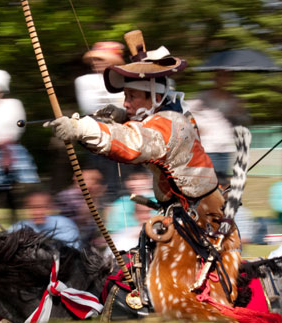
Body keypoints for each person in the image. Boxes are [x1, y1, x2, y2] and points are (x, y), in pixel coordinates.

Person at [44, 36, 239, 253]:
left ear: (154, 97)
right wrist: (118, 116)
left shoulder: (172, 123)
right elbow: (141, 126)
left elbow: (134, 143)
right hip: (184, 217)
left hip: (201, 224)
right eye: (125, 96)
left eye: (132, 96)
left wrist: (81, 129)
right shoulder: (169, 111)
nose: (125, 103)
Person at [74, 41, 137, 202]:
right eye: (95, 60)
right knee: (98, 181)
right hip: (95, 136)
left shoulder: (126, 81)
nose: (96, 63)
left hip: (121, 137)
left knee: (120, 180)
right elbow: (90, 107)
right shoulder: (85, 81)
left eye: (101, 59)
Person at [0, 69, 39, 219]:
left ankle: (19, 223)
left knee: (15, 195)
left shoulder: (12, 105)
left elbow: (16, 129)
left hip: (10, 155)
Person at [187, 70, 251, 177]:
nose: (224, 79)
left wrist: (240, 111)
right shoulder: (203, 97)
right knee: (208, 182)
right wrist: (196, 128)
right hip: (208, 149)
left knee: (222, 183)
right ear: (215, 78)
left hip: (226, 148)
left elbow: (244, 121)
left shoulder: (233, 99)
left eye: (228, 76)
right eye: (221, 76)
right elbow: (185, 113)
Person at [8, 189, 81, 250]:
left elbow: (73, 252)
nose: (37, 212)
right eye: (32, 207)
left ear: (50, 207)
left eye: (41, 207)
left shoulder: (65, 225)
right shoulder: (17, 228)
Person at [54, 168, 107, 248]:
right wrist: (94, 197)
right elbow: (82, 219)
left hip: (89, 238)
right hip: (72, 239)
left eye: (96, 181)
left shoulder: (88, 195)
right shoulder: (69, 195)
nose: (94, 183)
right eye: (90, 179)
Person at [105, 168, 156, 233]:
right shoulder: (119, 205)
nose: (137, 183)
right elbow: (112, 232)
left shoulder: (160, 202)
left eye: (141, 178)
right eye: (132, 179)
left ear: (150, 180)